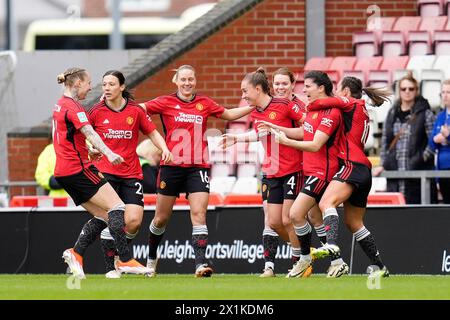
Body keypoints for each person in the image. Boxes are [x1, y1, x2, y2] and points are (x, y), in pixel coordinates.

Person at [140, 64, 256, 277]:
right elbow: (139, 110)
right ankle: (151, 259)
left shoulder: (204, 102)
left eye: (191, 79)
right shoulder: (165, 101)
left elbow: (229, 114)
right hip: (171, 167)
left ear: (195, 81)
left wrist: (255, 105)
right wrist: (115, 104)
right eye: (183, 79)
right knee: (160, 219)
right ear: (176, 81)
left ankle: (200, 264)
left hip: (198, 167)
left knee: (199, 214)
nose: (187, 83)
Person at [220, 67, 325, 278]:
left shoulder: (285, 105)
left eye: (245, 91)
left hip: (293, 169)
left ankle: (301, 261)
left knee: (289, 219)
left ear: (258, 89)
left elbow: (309, 129)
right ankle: (304, 253)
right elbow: (260, 133)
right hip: (270, 171)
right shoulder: (256, 111)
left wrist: (281, 133)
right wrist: (236, 138)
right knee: (275, 222)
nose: (243, 96)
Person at [53, 67, 150, 279]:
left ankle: (76, 253)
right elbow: (90, 132)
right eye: (89, 83)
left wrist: (87, 149)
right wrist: (109, 152)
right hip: (78, 169)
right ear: (77, 83)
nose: (91, 88)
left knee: (104, 215)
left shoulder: (59, 105)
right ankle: (124, 260)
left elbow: (64, 137)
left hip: (63, 171)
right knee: (118, 207)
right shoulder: (75, 107)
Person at [303, 76, 390, 278]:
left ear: (347, 92)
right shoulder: (362, 109)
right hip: (364, 169)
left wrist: (310, 104)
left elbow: (321, 102)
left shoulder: (351, 102)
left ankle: (332, 246)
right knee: (354, 222)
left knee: (327, 202)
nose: (336, 93)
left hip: (352, 164)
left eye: (338, 89)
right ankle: (379, 266)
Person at [88, 70, 172, 278]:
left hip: (131, 173)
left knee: (133, 221)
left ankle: (119, 257)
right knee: (112, 220)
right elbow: (84, 134)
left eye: (111, 84)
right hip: (106, 173)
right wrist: (91, 148)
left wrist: (165, 149)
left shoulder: (134, 111)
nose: (106, 88)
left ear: (122, 87)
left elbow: (152, 132)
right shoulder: (96, 111)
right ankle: (112, 267)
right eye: (104, 84)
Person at [262, 71, 345, 278]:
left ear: (321, 88)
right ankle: (336, 261)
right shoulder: (313, 110)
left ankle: (305, 260)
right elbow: (303, 132)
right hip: (310, 171)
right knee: (314, 216)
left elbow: (316, 144)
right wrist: (275, 127)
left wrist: (285, 142)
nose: (304, 89)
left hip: (322, 172)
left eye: (308, 86)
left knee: (295, 215)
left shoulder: (331, 112)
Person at [373, 72, 437, 204]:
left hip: (417, 175)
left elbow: (433, 141)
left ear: (416, 91)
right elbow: (385, 143)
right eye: (403, 89)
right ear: (399, 91)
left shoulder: (426, 114)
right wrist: (384, 164)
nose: (407, 92)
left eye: (411, 89)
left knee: (418, 215)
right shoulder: (391, 114)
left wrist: (422, 158)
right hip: (395, 174)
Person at [429, 79, 450, 203]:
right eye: (443, 92)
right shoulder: (440, 116)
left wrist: (447, 137)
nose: (445, 95)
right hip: (442, 169)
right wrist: (437, 139)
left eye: (449, 92)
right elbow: (431, 144)